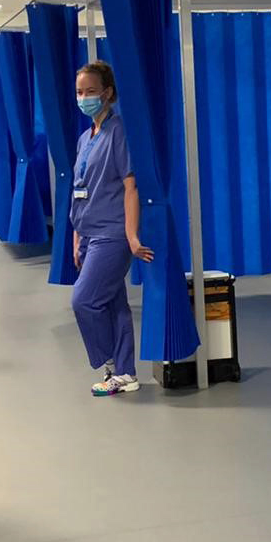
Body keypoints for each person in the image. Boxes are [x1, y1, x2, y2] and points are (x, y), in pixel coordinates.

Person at [70, 62, 153, 397]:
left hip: (112, 233)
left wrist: (132, 236)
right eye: (79, 92)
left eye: (91, 91)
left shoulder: (119, 132)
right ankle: (125, 373)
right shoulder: (84, 139)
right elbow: (79, 189)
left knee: (84, 300)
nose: (84, 98)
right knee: (114, 304)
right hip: (88, 232)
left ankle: (108, 361)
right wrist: (76, 237)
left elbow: (130, 187)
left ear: (107, 93)